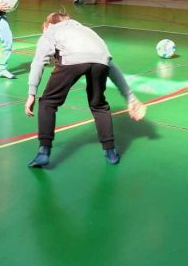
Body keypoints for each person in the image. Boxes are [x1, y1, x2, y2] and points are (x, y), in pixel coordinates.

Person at [23, 12, 147, 168]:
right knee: (99, 105)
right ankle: (111, 152)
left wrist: (31, 93)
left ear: (48, 25)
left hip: (72, 60)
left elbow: (38, 61)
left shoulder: (51, 31)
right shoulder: (87, 31)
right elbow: (111, 65)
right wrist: (130, 97)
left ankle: (43, 152)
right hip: (100, 61)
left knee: (48, 102)